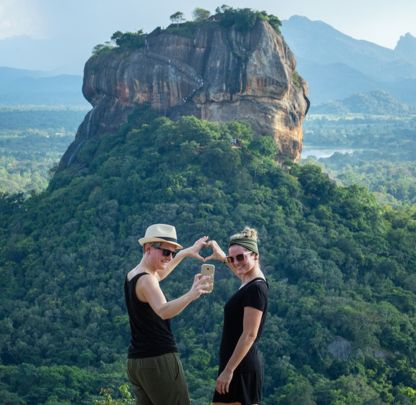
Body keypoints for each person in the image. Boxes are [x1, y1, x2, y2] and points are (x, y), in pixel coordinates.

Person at [124, 223, 211, 405]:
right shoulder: (147, 280)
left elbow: (160, 275)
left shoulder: (134, 275)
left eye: (172, 253)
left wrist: (185, 253)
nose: (169, 258)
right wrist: (191, 294)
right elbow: (163, 311)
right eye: (166, 253)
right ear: (148, 248)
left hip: (137, 362)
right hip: (158, 359)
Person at [207, 227, 269, 405]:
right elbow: (240, 271)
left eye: (240, 257)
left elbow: (250, 334)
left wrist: (228, 370)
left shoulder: (256, 289)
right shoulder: (249, 281)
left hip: (240, 368)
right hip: (234, 365)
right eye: (232, 258)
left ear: (255, 255)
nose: (235, 262)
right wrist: (222, 258)